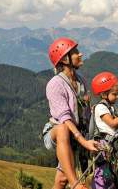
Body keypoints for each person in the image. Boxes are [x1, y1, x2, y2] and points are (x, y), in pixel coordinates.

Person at [42, 37, 100, 189]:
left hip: (75, 134)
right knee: (62, 128)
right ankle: (75, 184)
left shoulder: (81, 81)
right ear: (64, 59)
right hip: (58, 132)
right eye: (75, 52)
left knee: (61, 180)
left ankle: (71, 181)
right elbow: (65, 118)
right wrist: (83, 141)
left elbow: (84, 112)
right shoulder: (55, 84)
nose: (80, 54)